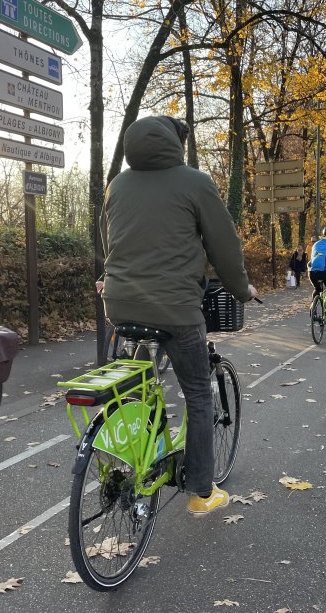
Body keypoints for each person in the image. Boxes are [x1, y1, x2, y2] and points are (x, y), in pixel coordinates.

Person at [100, 116, 257, 517]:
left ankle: (141, 452)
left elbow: (112, 241)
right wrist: (242, 289)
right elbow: (224, 243)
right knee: (198, 394)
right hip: (175, 307)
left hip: (119, 303)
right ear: (177, 144)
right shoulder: (194, 182)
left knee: (136, 386)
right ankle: (201, 493)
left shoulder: (116, 185)